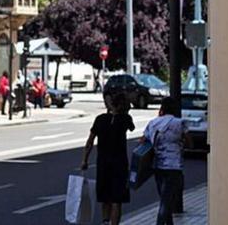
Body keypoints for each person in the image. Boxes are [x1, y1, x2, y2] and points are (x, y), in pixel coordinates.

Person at [81, 93, 134, 225]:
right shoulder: (125, 119)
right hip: (120, 164)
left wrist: (85, 160)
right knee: (117, 199)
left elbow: (90, 141)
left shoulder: (100, 119)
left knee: (105, 197)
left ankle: (105, 222)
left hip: (103, 163)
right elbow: (132, 128)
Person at [142, 97, 190, 225]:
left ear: (162, 108)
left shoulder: (153, 123)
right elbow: (190, 142)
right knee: (166, 202)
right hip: (174, 167)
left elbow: (143, 141)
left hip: (157, 165)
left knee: (165, 199)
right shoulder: (180, 123)